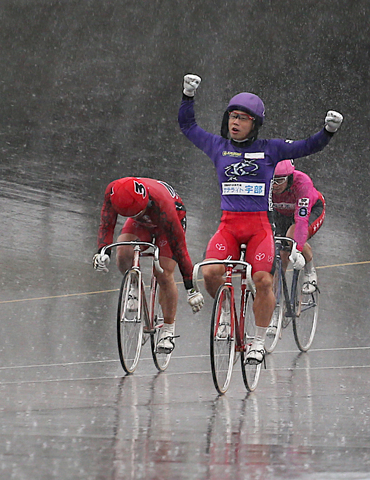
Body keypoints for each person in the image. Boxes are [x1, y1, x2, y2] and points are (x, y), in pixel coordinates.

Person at [178, 73, 343, 365]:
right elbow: (188, 126)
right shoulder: (218, 147)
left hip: (258, 228)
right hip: (228, 226)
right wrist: (187, 98)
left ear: (255, 124)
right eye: (232, 116)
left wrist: (327, 132)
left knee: (263, 280)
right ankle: (227, 310)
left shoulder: (270, 149)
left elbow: (307, 146)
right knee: (210, 273)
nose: (235, 122)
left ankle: (257, 340)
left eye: (243, 118)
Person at [92, 177, 204, 354]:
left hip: (169, 218)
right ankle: (134, 286)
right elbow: (107, 223)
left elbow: (180, 249)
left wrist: (191, 288)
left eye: (136, 212)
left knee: (164, 272)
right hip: (143, 221)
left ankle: (168, 330)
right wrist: (103, 251)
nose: (133, 216)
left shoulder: (163, 204)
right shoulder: (112, 191)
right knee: (123, 252)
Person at [271, 159, 325, 294]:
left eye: (280, 180)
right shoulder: (265, 182)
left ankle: (310, 271)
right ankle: (275, 301)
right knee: (281, 255)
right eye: (272, 180)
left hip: (310, 211)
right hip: (282, 214)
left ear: (289, 177)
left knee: (291, 237)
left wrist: (298, 248)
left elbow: (301, 220)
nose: (275, 185)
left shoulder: (302, 183)